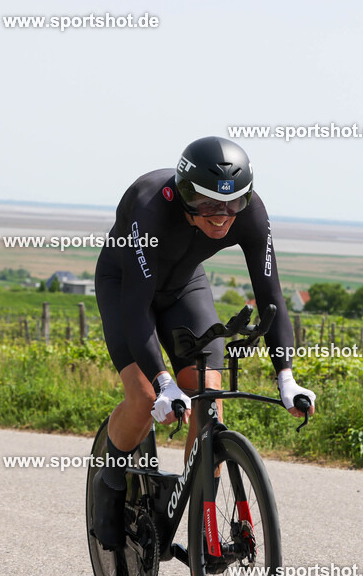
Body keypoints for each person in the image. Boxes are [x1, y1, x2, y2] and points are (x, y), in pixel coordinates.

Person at [91, 136, 316, 551]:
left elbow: (271, 297)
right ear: (184, 193)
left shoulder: (251, 212)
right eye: (208, 204)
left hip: (184, 286)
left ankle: (202, 522)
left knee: (208, 392)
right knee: (143, 398)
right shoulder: (149, 206)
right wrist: (163, 382)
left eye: (233, 204)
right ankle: (110, 482)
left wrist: (286, 376)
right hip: (125, 287)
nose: (222, 217)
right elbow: (137, 309)